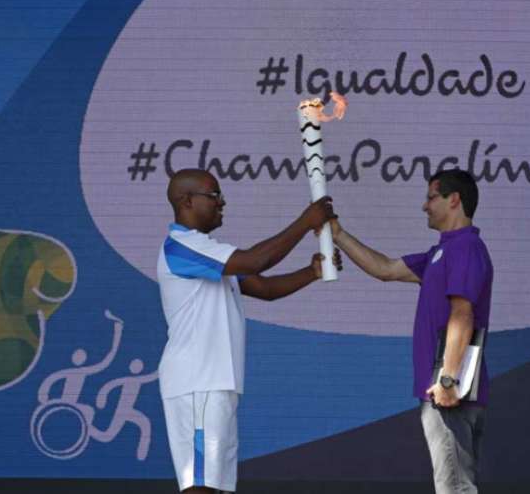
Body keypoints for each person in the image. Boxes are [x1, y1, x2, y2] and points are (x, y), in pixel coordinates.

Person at [157, 168, 340, 493]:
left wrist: (311, 272)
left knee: (216, 486)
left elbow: (265, 287)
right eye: (214, 196)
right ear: (187, 201)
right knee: (199, 486)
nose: (222, 202)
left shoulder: (208, 254)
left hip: (217, 383)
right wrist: (305, 222)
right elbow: (255, 261)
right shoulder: (183, 247)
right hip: (197, 382)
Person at [331, 169, 493, 494]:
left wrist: (448, 380)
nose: (424, 206)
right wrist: (337, 233)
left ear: (454, 200)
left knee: (456, 488)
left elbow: (463, 314)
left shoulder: (466, 248)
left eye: (431, 197)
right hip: (442, 386)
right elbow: (386, 269)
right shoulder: (440, 252)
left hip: (449, 388)